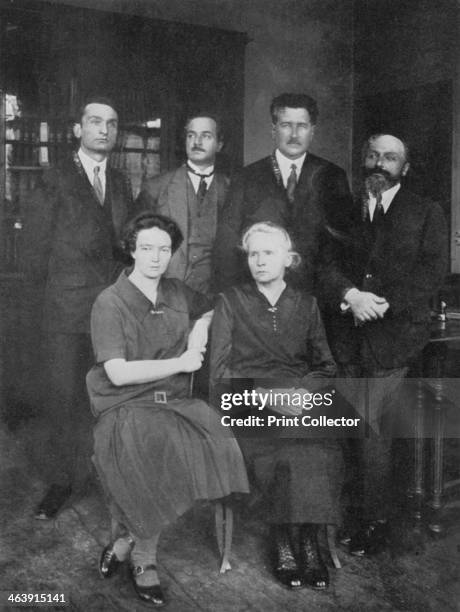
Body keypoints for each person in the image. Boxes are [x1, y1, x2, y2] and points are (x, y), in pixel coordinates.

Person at [87, 212, 249, 607]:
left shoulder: (178, 292)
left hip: (175, 402)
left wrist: (201, 326)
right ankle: (144, 560)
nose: (156, 258)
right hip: (125, 406)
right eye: (147, 249)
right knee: (158, 448)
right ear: (131, 250)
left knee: (216, 445)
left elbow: (216, 306)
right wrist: (180, 363)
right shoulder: (109, 302)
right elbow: (119, 373)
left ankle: (126, 538)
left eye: (164, 249)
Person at [327, 134, 448, 556]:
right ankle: (341, 516)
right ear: (364, 160)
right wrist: (349, 296)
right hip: (345, 336)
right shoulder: (344, 208)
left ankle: (373, 523)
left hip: (393, 339)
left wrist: (379, 305)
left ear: (405, 167)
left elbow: (431, 274)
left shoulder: (426, 211)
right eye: (374, 156)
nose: (380, 164)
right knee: (345, 427)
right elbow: (325, 264)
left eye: (391, 158)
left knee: (371, 429)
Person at [210, 222, 343, 591]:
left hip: (300, 404)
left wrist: (301, 394)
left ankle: (311, 541)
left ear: (289, 259)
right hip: (249, 406)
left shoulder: (307, 305)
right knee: (285, 452)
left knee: (319, 448)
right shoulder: (230, 302)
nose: (259, 261)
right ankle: (284, 539)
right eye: (253, 254)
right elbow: (220, 372)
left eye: (269, 253)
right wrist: (266, 396)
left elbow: (327, 367)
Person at [21, 95, 133, 520]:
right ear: (77, 130)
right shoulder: (54, 178)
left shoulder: (120, 181)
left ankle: (104, 472)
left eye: (112, 122)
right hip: (65, 313)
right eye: (95, 121)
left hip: (111, 313)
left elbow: (123, 246)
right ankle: (61, 481)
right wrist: (49, 307)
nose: (104, 129)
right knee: (64, 397)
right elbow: (33, 256)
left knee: (106, 395)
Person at [214, 92, 352, 293]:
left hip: (316, 298)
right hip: (256, 296)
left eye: (302, 126)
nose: (294, 135)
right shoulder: (246, 177)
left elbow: (342, 247)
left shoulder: (332, 176)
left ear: (312, 131)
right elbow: (227, 246)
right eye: (286, 125)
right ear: (273, 130)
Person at [135, 112, 228, 295]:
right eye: (191, 135)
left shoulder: (231, 190)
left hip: (214, 296)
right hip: (165, 294)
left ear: (219, 144)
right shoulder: (156, 187)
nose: (197, 142)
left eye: (206, 136)